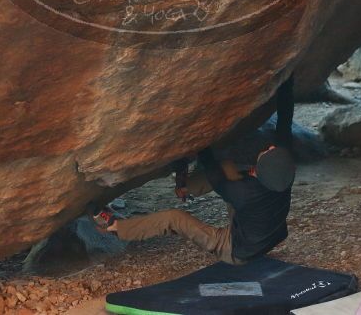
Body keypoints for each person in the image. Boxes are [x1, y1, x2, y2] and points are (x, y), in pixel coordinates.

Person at [92, 75, 297, 265]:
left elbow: (213, 172)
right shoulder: (283, 173)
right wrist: (288, 82)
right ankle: (184, 188)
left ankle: (115, 227)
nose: (270, 147)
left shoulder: (244, 193)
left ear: (259, 171)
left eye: (269, 151)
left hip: (236, 249)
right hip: (267, 231)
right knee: (228, 168)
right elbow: (284, 122)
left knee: (174, 217)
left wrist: (200, 137)